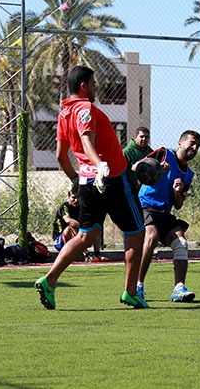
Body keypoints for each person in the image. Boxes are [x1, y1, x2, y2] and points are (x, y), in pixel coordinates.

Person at [34, 65, 148, 310]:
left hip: (87, 183)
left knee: (86, 236)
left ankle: (49, 280)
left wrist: (76, 178)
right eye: (94, 84)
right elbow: (87, 141)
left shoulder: (65, 113)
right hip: (111, 180)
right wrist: (100, 165)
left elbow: (60, 156)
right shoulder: (85, 108)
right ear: (84, 86)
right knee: (137, 232)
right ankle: (130, 292)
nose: (96, 89)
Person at [135, 130, 200, 303]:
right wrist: (156, 167)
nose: (194, 148)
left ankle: (179, 289)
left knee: (181, 243)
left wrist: (177, 192)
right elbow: (135, 167)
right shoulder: (164, 153)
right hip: (145, 206)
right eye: (192, 143)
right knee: (152, 236)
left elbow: (178, 205)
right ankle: (137, 286)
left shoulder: (188, 175)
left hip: (164, 212)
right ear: (180, 143)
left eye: (197, 146)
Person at [52, 191, 107, 262]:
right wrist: (84, 228)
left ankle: (97, 254)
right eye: (73, 198)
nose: (76, 200)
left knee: (95, 225)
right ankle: (87, 255)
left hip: (76, 240)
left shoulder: (83, 208)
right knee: (71, 226)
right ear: (68, 198)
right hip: (60, 242)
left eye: (78, 198)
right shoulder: (64, 206)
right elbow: (68, 220)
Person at [123, 127, 152, 194]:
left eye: (146, 137)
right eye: (141, 136)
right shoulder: (127, 152)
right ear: (136, 137)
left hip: (147, 188)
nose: (144, 139)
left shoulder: (150, 152)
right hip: (130, 187)